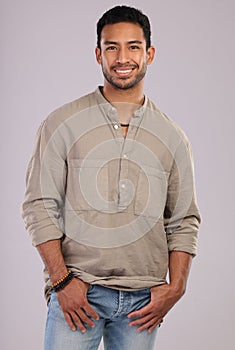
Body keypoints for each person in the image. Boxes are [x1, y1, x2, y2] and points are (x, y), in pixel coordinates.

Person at [22, 5, 201, 350]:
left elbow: (184, 219)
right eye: (112, 47)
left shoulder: (172, 137)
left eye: (133, 46)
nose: (123, 57)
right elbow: (38, 206)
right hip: (78, 293)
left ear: (149, 53)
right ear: (98, 54)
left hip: (143, 302)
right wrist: (62, 282)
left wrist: (176, 287)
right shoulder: (61, 123)